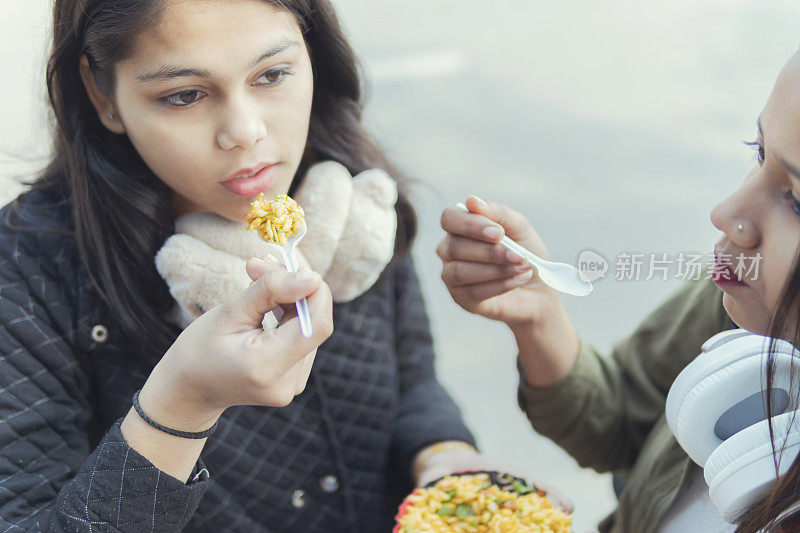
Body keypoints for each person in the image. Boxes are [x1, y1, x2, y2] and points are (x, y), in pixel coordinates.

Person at [0, 1, 507, 531]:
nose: (245, 132)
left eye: (272, 74)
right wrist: (180, 405)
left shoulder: (343, 191)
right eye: (184, 95)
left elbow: (413, 378)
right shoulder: (29, 271)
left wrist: (442, 454)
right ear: (104, 95)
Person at [437, 49, 800, 532]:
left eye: (796, 200)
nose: (726, 212)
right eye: (756, 151)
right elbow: (622, 419)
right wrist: (540, 315)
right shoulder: (742, 295)